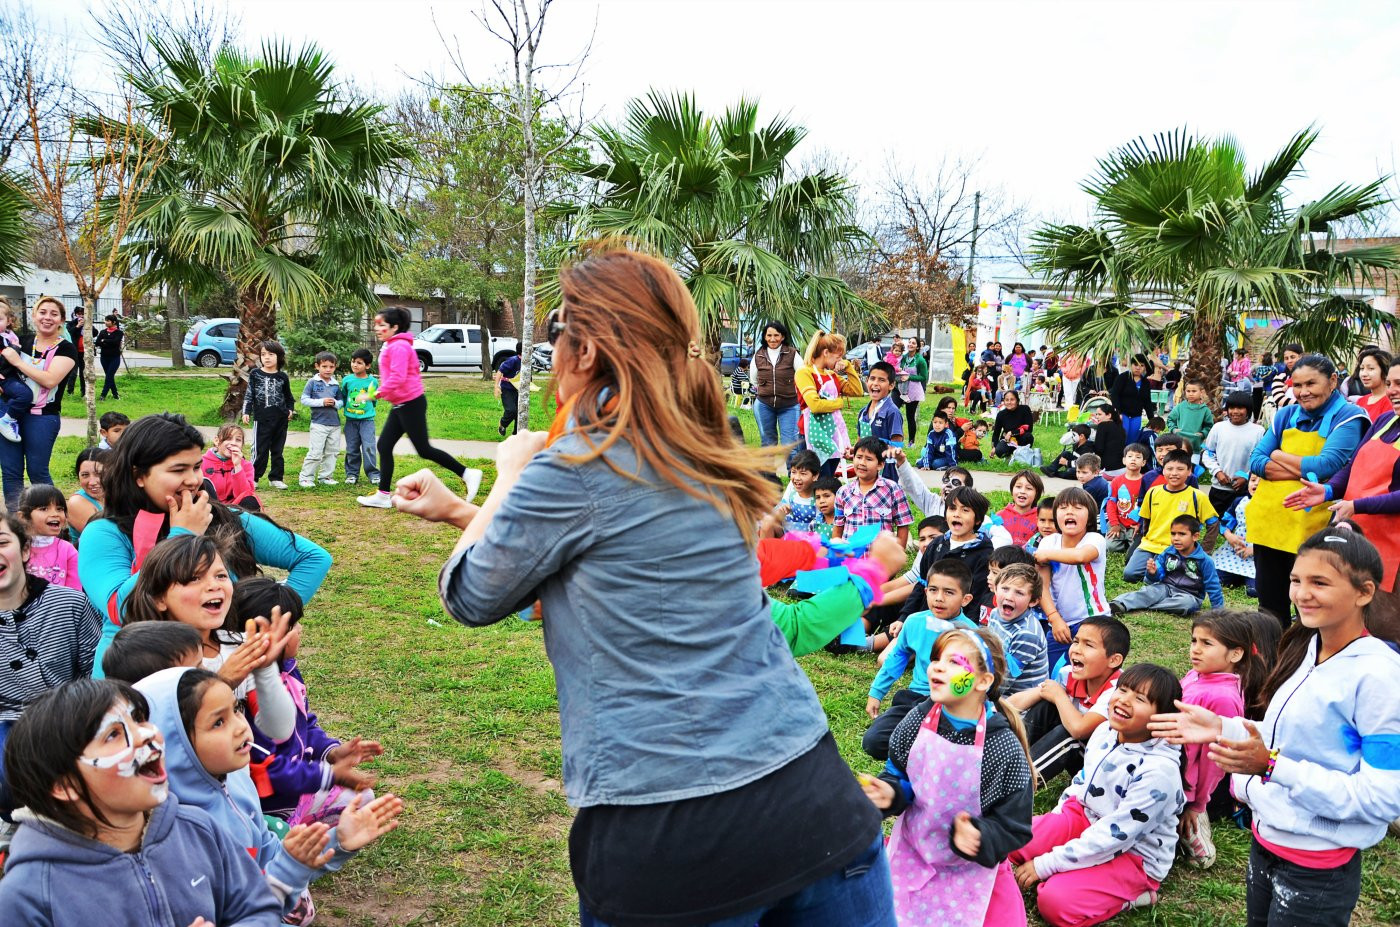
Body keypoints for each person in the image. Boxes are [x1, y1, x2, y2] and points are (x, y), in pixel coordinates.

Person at [395, 248, 896, 925]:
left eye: (559, 330)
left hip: (670, 837)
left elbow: (471, 593)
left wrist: (511, 472)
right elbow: (613, 560)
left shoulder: (575, 463)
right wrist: (461, 511)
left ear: (588, 345)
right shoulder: (701, 447)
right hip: (816, 803)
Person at [1150, 528, 1400, 927]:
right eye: (1296, 580)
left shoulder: (1380, 676)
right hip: (1268, 841)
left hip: (1316, 866)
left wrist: (1270, 766)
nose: (1301, 594)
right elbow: (1292, 737)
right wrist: (1223, 726)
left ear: (1364, 592)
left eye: (1320, 582)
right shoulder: (1309, 648)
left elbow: (1382, 798)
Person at [0, 679, 284, 927]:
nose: (146, 735)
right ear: (65, 785)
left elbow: (256, 906)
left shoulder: (198, 829)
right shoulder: (27, 895)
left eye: (139, 719)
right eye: (113, 734)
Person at [137, 666, 404, 921]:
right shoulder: (177, 833)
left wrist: (339, 841)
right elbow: (237, 913)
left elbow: (269, 854)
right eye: (218, 722)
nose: (242, 726)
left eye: (236, 709)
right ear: (173, 742)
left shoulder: (237, 780)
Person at [78, 413, 332, 673]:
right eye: (178, 470)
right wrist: (182, 535)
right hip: (134, 679)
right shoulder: (105, 533)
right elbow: (122, 607)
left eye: (196, 467)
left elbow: (313, 559)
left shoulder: (223, 519)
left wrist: (259, 621)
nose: (193, 480)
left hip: (223, 672)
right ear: (138, 475)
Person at [861, 628, 1033, 927]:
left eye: (954, 662)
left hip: (971, 871)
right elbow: (899, 776)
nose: (938, 666)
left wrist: (981, 836)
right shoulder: (917, 719)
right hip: (912, 853)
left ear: (983, 681)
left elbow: (1014, 827)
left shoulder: (1003, 749)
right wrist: (890, 793)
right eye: (937, 658)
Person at [1010, 664, 1185, 927]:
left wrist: (1046, 864)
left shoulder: (1159, 772)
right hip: (1084, 816)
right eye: (1122, 690)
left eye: (1139, 699)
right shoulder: (1106, 731)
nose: (1124, 700)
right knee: (1009, 840)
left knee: (1055, 901)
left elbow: (1114, 837)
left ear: (1162, 717)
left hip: (1132, 854)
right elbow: (1083, 779)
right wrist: (1057, 821)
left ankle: (1138, 894)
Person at [231, 577, 382, 825]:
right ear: (261, 637)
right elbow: (266, 768)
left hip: (296, 787)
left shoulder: (288, 671)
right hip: (268, 804)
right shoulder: (248, 696)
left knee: (362, 798)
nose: (299, 630)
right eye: (292, 627)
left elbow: (305, 725)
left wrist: (332, 752)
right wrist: (327, 775)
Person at [1283, 354, 1400, 637]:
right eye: (1391, 383)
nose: (1393, 390)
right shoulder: (1385, 420)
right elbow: (1353, 465)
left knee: (1385, 628)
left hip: (1393, 550)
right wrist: (1328, 490)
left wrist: (1357, 505)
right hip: (1359, 540)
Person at [1250, 353, 1369, 625]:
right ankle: (1274, 657)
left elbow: (1328, 465)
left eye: (1311, 384)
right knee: (1269, 603)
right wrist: (1305, 468)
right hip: (1270, 520)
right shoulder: (1286, 414)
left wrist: (1278, 456)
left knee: (1311, 603)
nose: (1303, 392)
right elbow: (1256, 461)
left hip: (1314, 522)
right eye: (1298, 385)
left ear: (1332, 381)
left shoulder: (1350, 416)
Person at [0, 514, 100, 817]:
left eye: (2, 543)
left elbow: (94, 666)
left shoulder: (70, 604)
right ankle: (17, 820)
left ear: (26, 550)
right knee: (7, 773)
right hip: (8, 718)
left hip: (72, 709)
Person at [358, 307, 481, 509]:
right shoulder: (393, 345)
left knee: (424, 449)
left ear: (394, 327)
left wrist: (374, 394)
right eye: (376, 325)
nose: (377, 329)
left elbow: (398, 378)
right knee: (385, 446)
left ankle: (467, 473)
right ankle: (382, 495)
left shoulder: (398, 347)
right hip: (401, 404)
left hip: (410, 404)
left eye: (382, 325)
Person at [1175, 610, 1271, 869]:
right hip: (1175, 761)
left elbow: (1214, 761)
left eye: (1207, 643)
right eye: (1194, 640)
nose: (1196, 649)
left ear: (1236, 654)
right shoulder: (1198, 674)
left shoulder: (1223, 697)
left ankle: (1197, 826)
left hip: (1189, 783)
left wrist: (1197, 803)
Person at [864, 559, 978, 761]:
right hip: (913, 699)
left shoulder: (970, 633)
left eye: (949, 592)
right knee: (873, 742)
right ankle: (920, 747)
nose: (939, 598)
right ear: (926, 592)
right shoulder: (914, 621)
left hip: (949, 704)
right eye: (933, 590)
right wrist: (876, 692)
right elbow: (897, 658)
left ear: (966, 599)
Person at [1006, 616, 1129, 784]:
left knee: (1069, 737)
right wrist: (1044, 692)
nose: (1077, 649)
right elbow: (1012, 705)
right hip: (1083, 753)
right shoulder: (1068, 674)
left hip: (1105, 770)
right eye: (1076, 641)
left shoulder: (1118, 690)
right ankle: (1006, 762)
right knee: (1046, 706)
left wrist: (1058, 695)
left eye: (1089, 645)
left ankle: (1015, 785)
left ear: (1114, 660)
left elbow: (1080, 730)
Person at [0, 296, 78, 509]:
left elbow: (50, 379)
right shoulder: (20, 341)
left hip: (42, 417)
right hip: (9, 415)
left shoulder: (66, 349)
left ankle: (50, 518)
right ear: (34, 316)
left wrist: (16, 362)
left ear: (62, 320)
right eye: (42, 312)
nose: (47, 317)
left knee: (37, 471)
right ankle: (17, 523)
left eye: (54, 314)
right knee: (11, 471)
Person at [1033, 487, 1109, 673]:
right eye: (1063, 507)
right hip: (1059, 622)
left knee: (1089, 672)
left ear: (1090, 517)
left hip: (1092, 620)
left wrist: (1044, 555)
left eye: (1078, 507)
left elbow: (1080, 556)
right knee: (1048, 673)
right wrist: (1054, 618)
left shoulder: (1094, 539)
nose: (1069, 511)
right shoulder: (1049, 542)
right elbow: (1042, 586)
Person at [1124, 449, 1218, 583]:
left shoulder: (1197, 496)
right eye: (1169, 469)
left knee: (1150, 580)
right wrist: (1143, 539)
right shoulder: (1152, 492)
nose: (1174, 473)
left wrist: (1204, 551)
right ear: (1163, 470)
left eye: (1180, 469)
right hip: (1149, 545)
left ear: (1189, 471)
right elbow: (1146, 520)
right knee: (1129, 575)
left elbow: (1213, 523)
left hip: (1178, 548)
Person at [1110, 514, 1223, 616]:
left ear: (1195, 536)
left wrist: (1218, 611)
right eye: (1173, 534)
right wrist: (1153, 573)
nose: (1176, 538)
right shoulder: (1168, 552)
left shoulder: (1204, 560)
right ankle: (1119, 604)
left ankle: (1149, 606)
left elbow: (1213, 587)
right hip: (1165, 587)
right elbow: (1153, 579)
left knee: (1186, 605)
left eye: (1182, 534)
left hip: (1189, 595)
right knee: (1148, 592)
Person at [795, 330, 864, 479]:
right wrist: (838, 403)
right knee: (814, 479)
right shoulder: (804, 373)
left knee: (828, 478)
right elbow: (815, 405)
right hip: (811, 435)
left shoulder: (832, 375)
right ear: (826, 352)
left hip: (832, 433)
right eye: (838, 357)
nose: (839, 360)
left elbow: (857, 391)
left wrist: (848, 367)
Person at [985, 563, 1050, 695]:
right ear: (995, 589)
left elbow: (1004, 683)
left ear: (1033, 601)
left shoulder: (1027, 634)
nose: (1009, 597)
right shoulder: (995, 614)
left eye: (1019, 593)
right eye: (1005, 588)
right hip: (993, 678)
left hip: (1016, 701)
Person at [242, 339, 296, 490]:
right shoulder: (255, 374)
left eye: (271, 354)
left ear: (279, 357)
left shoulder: (282, 377)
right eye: (263, 354)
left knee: (278, 450)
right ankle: (254, 478)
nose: (266, 357)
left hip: (280, 420)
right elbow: (249, 395)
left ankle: (276, 478)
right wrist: (246, 411)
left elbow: (289, 397)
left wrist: (290, 410)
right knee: (260, 450)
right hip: (262, 420)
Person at [1202, 391, 1266, 516]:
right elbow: (1208, 453)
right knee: (1215, 525)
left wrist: (1247, 477)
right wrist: (1217, 472)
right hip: (1219, 489)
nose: (1235, 411)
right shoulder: (1218, 428)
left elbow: (1262, 459)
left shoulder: (1258, 431)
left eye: (1240, 408)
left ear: (1248, 410)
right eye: (1232, 408)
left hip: (1245, 490)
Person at [749, 320, 803, 451]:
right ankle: (769, 472)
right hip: (764, 405)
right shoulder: (758, 355)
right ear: (764, 337)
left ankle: (793, 472)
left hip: (790, 405)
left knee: (790, 446)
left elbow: (803, 376)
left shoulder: (792, 354)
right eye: (769, 335)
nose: (772, 339)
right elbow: (753, 379)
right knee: (767, 444)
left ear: (782, 336)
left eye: (776, 335)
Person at [18, 484, 80, 590]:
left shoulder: (68, 550)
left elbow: (75, 591)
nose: (55, 514)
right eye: (44, 509)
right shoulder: (15, 548)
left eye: (59, 509)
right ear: (23, 517)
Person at [298, 351, 343, 488]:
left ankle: (326, 476)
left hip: (334, 424)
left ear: (335, 367)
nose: (328, 369)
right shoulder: (312, 382)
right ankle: (306, 477)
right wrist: (322, 402)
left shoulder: (336, 384)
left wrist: (335, 403)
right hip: (318, 424)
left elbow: (341, 402)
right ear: (317, 366)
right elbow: (304, 400)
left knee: (332, 452)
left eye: (331, 366)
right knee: (315, 452)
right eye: (324, 366)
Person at [855, 361, 904, 481]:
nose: (875, 383)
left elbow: (896, 447)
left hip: (886, 471)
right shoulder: (863, 413)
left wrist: (877, 453)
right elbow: (860, 441)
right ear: (867, 381)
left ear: (891, 385)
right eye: (872, 378)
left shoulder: (892, 412)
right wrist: (854, 450)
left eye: (881, 380)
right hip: (865, 470)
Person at [341, 348, 381, 485]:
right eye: (353, 362)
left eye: (359, 363)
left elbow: (374, 399)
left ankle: (373, 474)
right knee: (352, 448)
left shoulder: (372, 382)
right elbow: (345, 396)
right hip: (350, 421)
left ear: (368, 366)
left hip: (367, 421)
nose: (354, 365)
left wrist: (366, 411)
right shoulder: (347, 380)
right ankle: (352, 474)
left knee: (369, 447)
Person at [201, 423, 261, 511]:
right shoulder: (201, 462)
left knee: (250, 500)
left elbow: (244, 495)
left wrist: (237, 466)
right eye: (228, 438)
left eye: (238, 440)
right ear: (217, 441)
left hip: (234, 510)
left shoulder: (246, 466)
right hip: (209, 509)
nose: (233, 443)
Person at [1216, 476, 1259, 595]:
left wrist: (1254, 549)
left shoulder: (1274, 506)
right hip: (1235, 552)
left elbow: (1276, 537)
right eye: (1253, 480)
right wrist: (1229, 536)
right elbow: (1224, 523)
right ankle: (1237, 576)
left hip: (1260, 557)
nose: (1256, 484)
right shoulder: (1239, 501)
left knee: (1254, 591)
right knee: (1217, 580)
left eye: (1262, 482)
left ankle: (1247, 580)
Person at [0, 298, 32, 443]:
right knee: (25, 394)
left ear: (8, 321)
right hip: (4, 378)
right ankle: (6, 420)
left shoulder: (9, 337)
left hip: (9, 376)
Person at [1105, 443, 1147, 554]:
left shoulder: (1146, 481)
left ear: (1143, 462)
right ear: (1124, 460)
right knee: (1110, 547)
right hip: (1119, 523)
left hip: (1136, 525)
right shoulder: (1116, 481)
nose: (1133, 459)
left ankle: (1128, 543)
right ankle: (1121, 541)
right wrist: (1114, 524)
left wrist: (1141, 524)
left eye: (1138, 457)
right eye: (1130, 456)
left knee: (1136, 550)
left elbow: (1148, 506)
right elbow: (1111, 503)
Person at [1109, 354, 1157, 444]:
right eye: (1136, 365)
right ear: (1131, 365)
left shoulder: (1145, 382)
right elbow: (1115, 395)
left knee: (1133, 440)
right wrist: (1118, 412)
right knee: (1122, 438)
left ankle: (1129, 456)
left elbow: (1147, 401)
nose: (1138, 368)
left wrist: (1152, 419)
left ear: (1145, 368)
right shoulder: (1122, 377)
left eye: (1142, 365)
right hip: (1123, 414)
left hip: (1137, 416)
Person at [1167, 376, 1214, 455]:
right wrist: (1174, 429)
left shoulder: (1205, 410)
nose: (1190, 394)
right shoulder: (1180, 407)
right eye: (1188, 391)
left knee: (1193, 465)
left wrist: (1202, 433)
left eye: (1194, 391)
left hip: (1195, 447)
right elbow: (1170, 419)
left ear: (1201, 392)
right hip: (1179, 444)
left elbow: (1209, 426)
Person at [67, 446, 106, 540]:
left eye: (99, 474)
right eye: (85, 475)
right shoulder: (76, 503)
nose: (92, 482)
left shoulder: (118, 493)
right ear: (78, 477)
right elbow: (102, 538)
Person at [997, 470, 1044, 547]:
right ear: (1012, 490)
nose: (1022, 491)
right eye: (1018, 487)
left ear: (1036, 494)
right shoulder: (1000, 515)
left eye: (1029, 488)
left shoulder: (1040, 517)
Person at [1347, 347, 1392, 423]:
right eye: (1362, 368)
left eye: (1371, 368)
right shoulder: (1361, 401)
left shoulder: (1391, 401)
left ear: (1385, 371)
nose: (1364, 374)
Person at [897, 336, 928, 443]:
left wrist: (909, 377)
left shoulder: (920, 360)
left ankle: (911, 441)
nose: (910, 344)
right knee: (893, 410)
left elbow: (924, 377)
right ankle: (895, 437)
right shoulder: (903, 357)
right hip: (900, 389)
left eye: (913, 343)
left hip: (913, 391)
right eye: (909, 342)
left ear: (918, 347)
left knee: (910, 417)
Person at [992, 390, 1035, 459]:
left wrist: (1012, 433)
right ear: (1004, 401)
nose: (1009, 402)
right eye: (1007, 400)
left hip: (1022, 438)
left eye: (1012, 399)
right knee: (999, 451)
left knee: (1028, 436)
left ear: (1017, 401)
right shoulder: (1001, 414)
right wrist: (994, 447)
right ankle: (1009, 456)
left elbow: (1029, 428)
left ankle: (1021, 456)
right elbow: (996, 433)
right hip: (1008, 440)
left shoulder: (1025, 409)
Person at [1088, 404, 1126, 473]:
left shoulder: (1102, 425)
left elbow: (1099, 449)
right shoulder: (1120, 427)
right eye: (1096, 414)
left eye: (1099, 414)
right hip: (1122, 468)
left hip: (1107, 469)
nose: (1096, 417)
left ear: (1109, 415)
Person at [493, 350, 522, 437]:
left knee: (519, 413)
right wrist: (496, 386)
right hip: (507, 389)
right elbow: (499, 371)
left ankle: (516, 434)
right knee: (511, 410)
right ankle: (503, 424)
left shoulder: (527, 362)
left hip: (519, 390)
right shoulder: (513, 360)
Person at [95, 313, 124, 400]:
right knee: (109, 376)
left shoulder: (119, 332)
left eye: (108, 320)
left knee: (109, 376)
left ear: (114, 322)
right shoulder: (103, 332)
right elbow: (97, 343)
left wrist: (104, 340)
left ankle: (103, 395)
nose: (106, 322)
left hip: (114, 357)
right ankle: (115, 395)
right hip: (104, 357)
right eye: (105, 320)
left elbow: (116, 342)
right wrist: (107, 341)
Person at [1268, 342, 1304, 410]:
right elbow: (1279, 399)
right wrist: (1305, 404)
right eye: (1286, 358)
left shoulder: (1309, 376)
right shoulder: (1280, 377)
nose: (1289, 361)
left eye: (1292, 357)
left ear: (1300, 357)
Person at [64, 305, 87, 397]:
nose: (80, 316)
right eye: (79, 314)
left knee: (83, 373)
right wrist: (78, 326)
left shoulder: (87, 323)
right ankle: (70, 391)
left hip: (84, 352)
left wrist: (87, 326)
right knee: (73, 373)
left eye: (82, 314)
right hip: (74, 351)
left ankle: (84, 392)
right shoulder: (71, 323)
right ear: (75, 314)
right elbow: (69, 332)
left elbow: (95, 332)